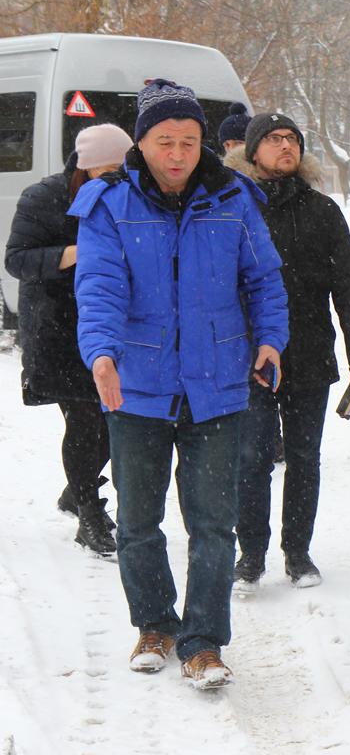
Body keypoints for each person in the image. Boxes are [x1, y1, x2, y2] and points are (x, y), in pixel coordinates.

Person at [71, 79, 289, 690]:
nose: (178, 153)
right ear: (141, 143)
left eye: (189, 141)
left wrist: (271, 338)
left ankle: (203, 641)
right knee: (138, 521)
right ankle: (155, 625)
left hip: (217, 385)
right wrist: (103, 354)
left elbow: (264, 279)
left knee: (214, 524)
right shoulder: (109, 205)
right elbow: (100, 289)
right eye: (164, 141)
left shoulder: (233, 198)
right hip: (135, 388)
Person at [226, 112, 350, 589]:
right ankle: (250, 554)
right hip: (247, 356)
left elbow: (348, 285)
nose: (285, 146)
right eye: (274, 139)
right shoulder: (231, 205)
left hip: (310, 351)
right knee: (250, 457)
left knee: (305, 457)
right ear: (252, 151)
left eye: (292, 139)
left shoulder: (321, 210)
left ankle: (298, 553)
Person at [4, 123, 133, 557]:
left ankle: (75, 492)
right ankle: (90, 516)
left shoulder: (131, 195)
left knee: (119, 421)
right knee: (84, 421)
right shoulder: (44, 197)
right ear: (84, 166)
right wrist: (75, 253)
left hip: (113, 324)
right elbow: (17, 259)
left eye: (123, 168)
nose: (116, 178)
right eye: (108, 170)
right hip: (58, 326)